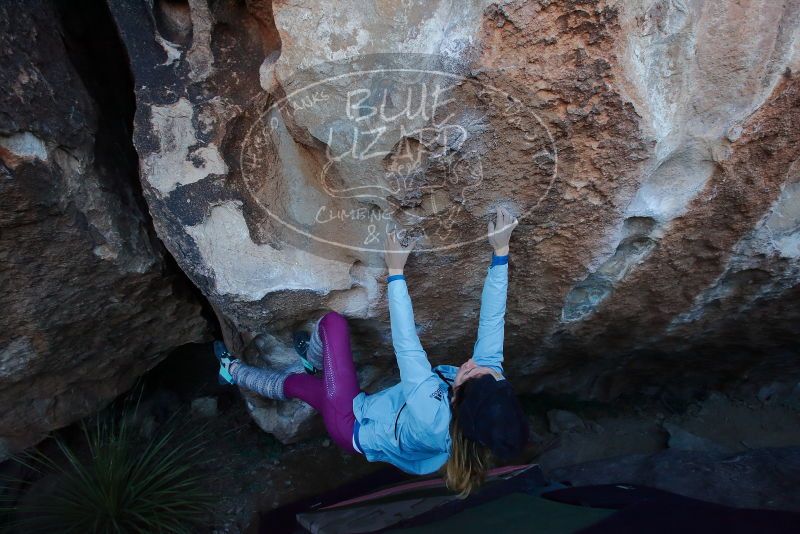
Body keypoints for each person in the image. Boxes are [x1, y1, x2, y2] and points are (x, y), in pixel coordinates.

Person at [213, 207, 528, 496]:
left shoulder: (431, 414)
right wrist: (501, 252)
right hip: (375, 418)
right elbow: (492, 322)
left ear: (457, 400)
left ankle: (243, 370)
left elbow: (407, 345)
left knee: (332, 325)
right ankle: (253, 372)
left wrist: (396, 272)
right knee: (303, 387)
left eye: (469, 373)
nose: (472, 363)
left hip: (351, 425)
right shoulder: (484, 397)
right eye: (486, 371)